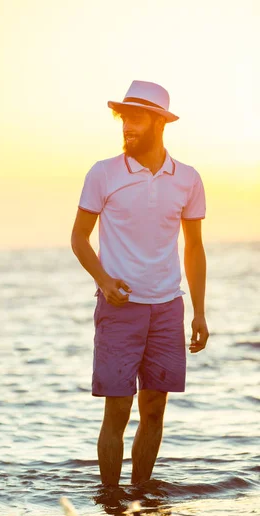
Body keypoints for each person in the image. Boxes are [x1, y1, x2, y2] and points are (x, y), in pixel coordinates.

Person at [71, 80, 209, 487]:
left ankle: (141, 496)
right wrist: (104, 280)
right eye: (123, 118)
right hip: (119, 309)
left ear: (159, 122)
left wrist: (199, 312)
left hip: (168, 308)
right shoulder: (103, 173)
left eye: (136, 118)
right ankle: (111, 501)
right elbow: (79, 237)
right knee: (117, 411)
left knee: (154, 411)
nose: (127, 126)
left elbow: (195, 248)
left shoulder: (187, 179)